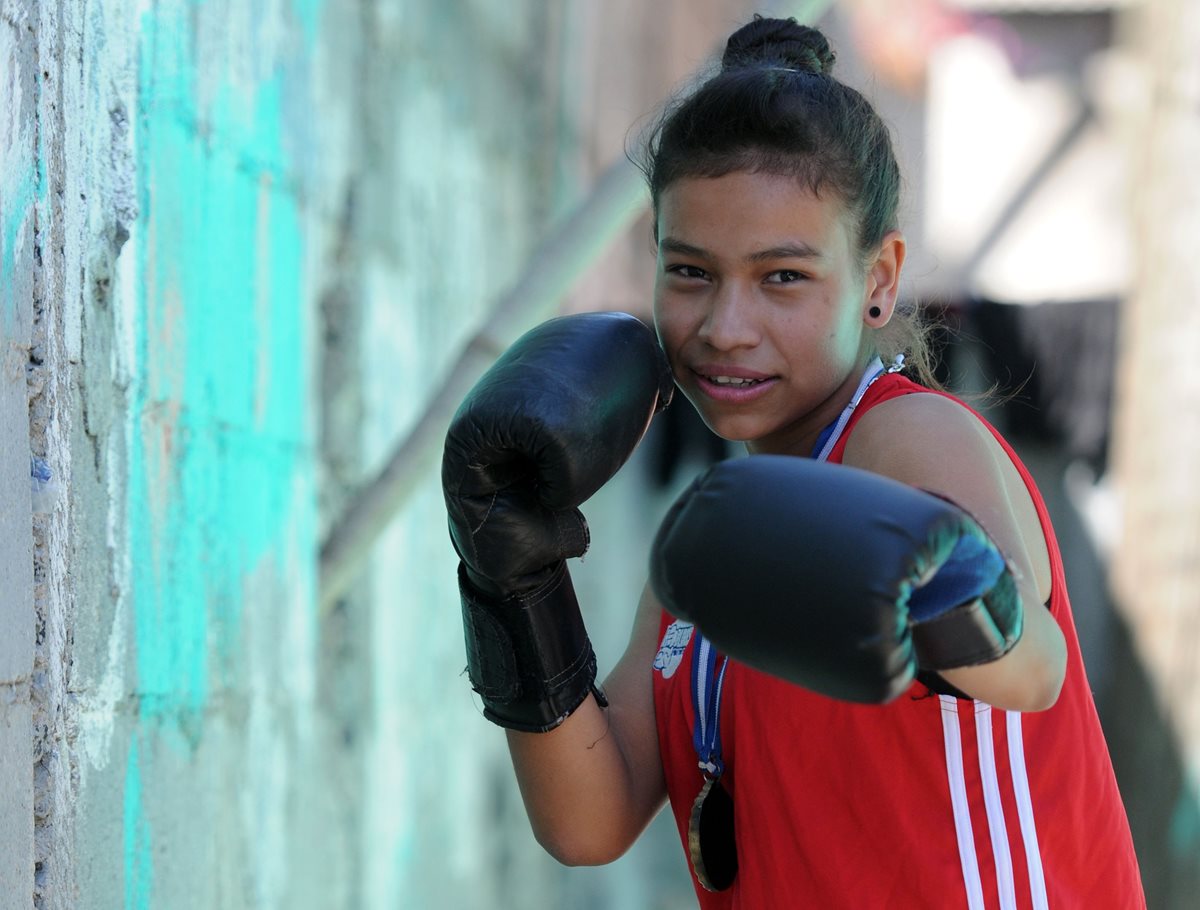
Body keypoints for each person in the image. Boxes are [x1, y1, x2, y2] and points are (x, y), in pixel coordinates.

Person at [441, 16, 1145, 908]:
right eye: (690, 271)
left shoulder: (904, 440)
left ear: (881, 280)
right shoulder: (713, 537)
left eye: (782, 278)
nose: (726, 326)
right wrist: (513, 585)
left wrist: (936, 592)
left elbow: (1034, 668)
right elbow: (590, 820)